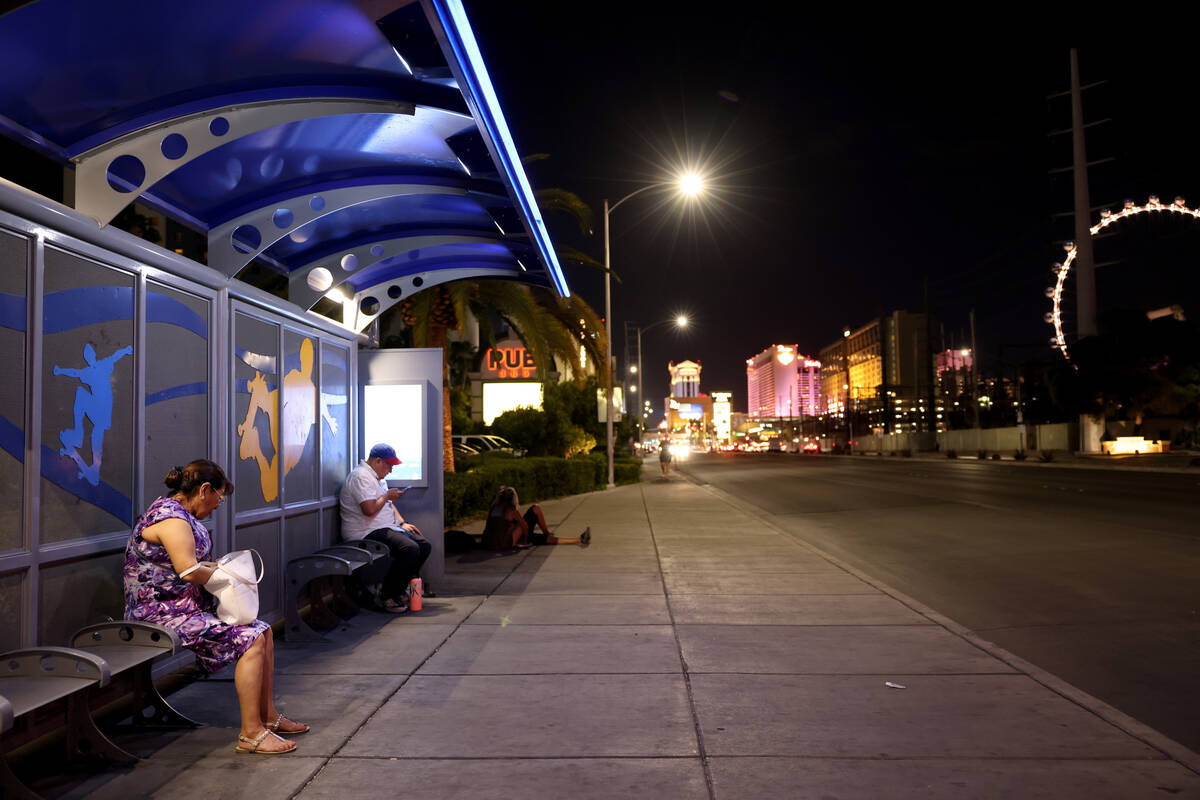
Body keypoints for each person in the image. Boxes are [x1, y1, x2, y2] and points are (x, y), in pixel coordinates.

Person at [124, 460, 307, 755]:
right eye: (218, 498)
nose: (217, 505)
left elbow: (187, 567)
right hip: (160, 615)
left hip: (181, 609)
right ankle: (251, 734)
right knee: (251, 640)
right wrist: (229, 575)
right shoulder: (171, 520)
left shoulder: (178, 514)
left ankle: (269, 717)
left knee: (264, 632)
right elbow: (188, 572)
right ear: (205, 489)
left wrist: (214, 567)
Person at [339, 443, 431, 612]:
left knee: (423, 546)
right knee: (409, 549)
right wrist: (388, 495)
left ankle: (399, 589)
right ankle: (388, 595)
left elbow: (387, 504)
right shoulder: (360, 477)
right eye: (389, 465)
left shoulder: (377, 478)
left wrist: (402, 523)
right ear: (378, 461)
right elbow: (369, 509)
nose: (390, 470)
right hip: (365, 531)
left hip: (383, 527)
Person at [482, 485, 590, 551]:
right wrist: (525, 539)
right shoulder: (511, 510)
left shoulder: (494, 508)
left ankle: (577, 539)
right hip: (505, 542)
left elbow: (492, 527)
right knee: (535, 515)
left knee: (537, 525)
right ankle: (577, 539)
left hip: (491, 542)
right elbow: (524, 526)